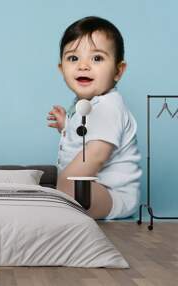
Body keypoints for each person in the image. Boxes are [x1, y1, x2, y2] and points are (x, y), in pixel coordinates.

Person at [47, 16, 142, 219]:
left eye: (97, 58)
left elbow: (97, 153)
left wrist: (64, 184)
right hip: (97, 188)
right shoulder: (89, 105)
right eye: (73, 58)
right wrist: (67, 126)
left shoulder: (109, 106)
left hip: (112, 194)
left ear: (118, 70)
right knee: (51, 183)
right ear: (61, 68)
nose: (83, 66)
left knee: (68, 186)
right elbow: (88, 135)